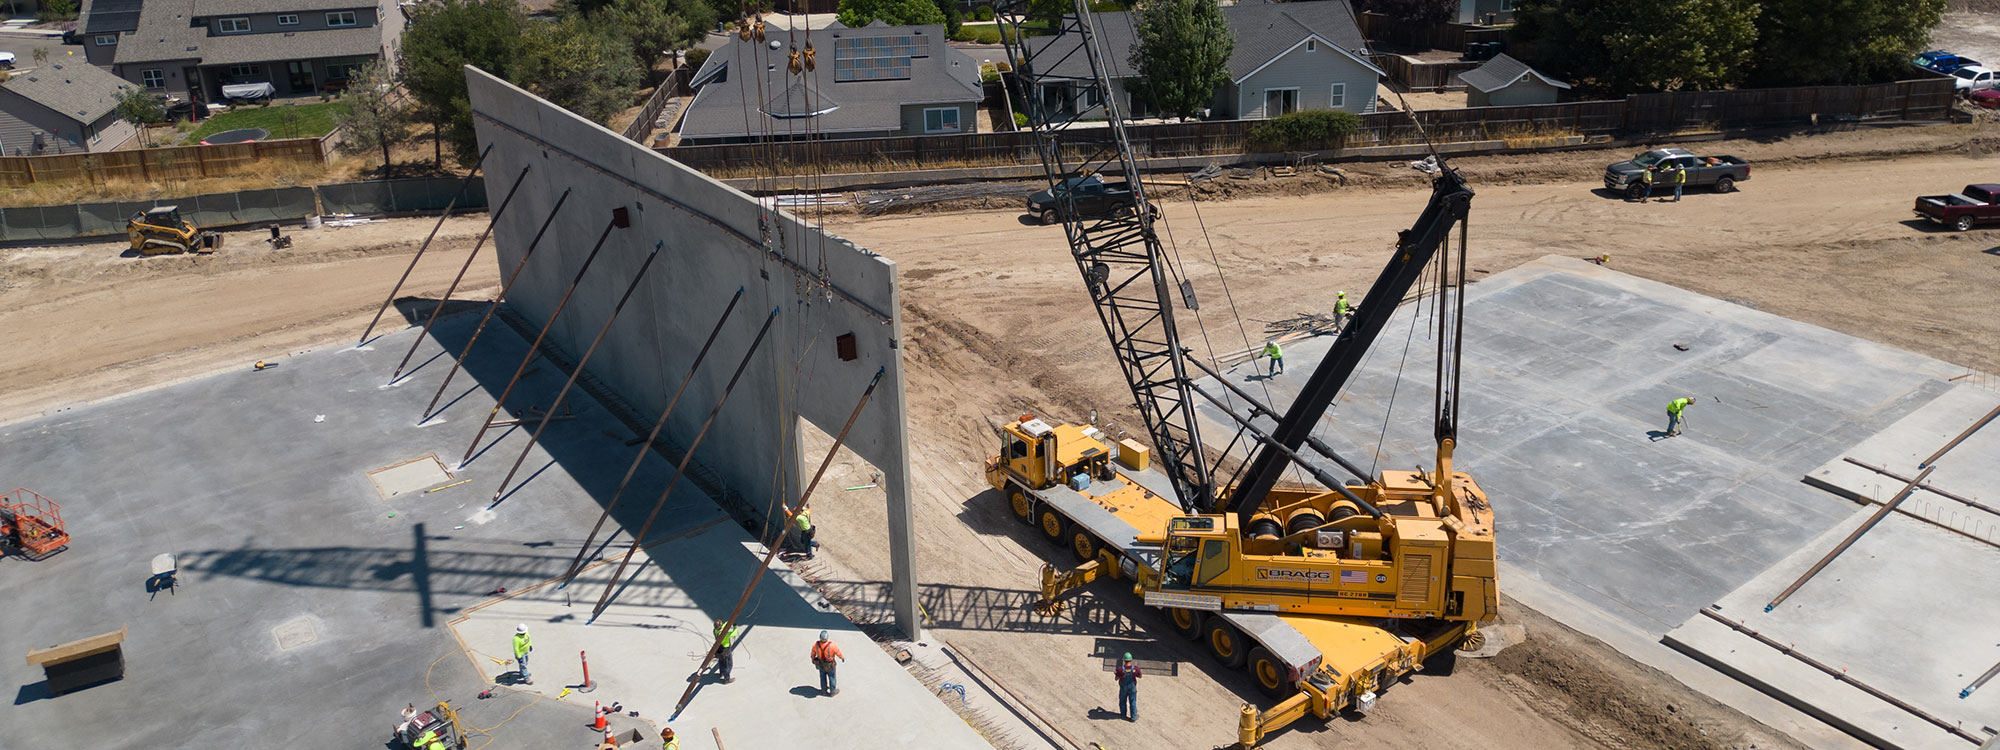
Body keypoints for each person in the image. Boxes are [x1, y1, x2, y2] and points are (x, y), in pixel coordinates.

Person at [811, 631, 845, 696]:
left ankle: (824, 691)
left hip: (821, 664)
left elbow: (813, 653)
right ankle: (832, 692)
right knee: (832, 677)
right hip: (830, 664)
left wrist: (812, 659)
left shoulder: (816, 645)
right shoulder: (832, 645)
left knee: (822, 677)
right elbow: (838, 653)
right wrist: (842, 657)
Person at [712, 619, 744, 684]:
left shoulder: (715, 631)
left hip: (719, 648)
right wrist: (735, 627)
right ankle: (727, 679)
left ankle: (721, 673)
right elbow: (734, 633)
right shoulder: (724, 634)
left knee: (721, 662)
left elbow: (723, 626)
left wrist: (729, 622)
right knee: (728, 664)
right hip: (726, 649)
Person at [1115, 652, 1142, 721]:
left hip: (1123, 688)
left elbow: (1116, 679)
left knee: (1122, 701)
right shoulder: (1135, 668)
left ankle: (1123, 715)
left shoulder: (1120, 669)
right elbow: (1140, 676)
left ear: (1124, 660)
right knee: (1132, 701)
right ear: (1131, 660)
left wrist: (1116, 674)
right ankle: (1133, 717)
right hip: (1132, 688)